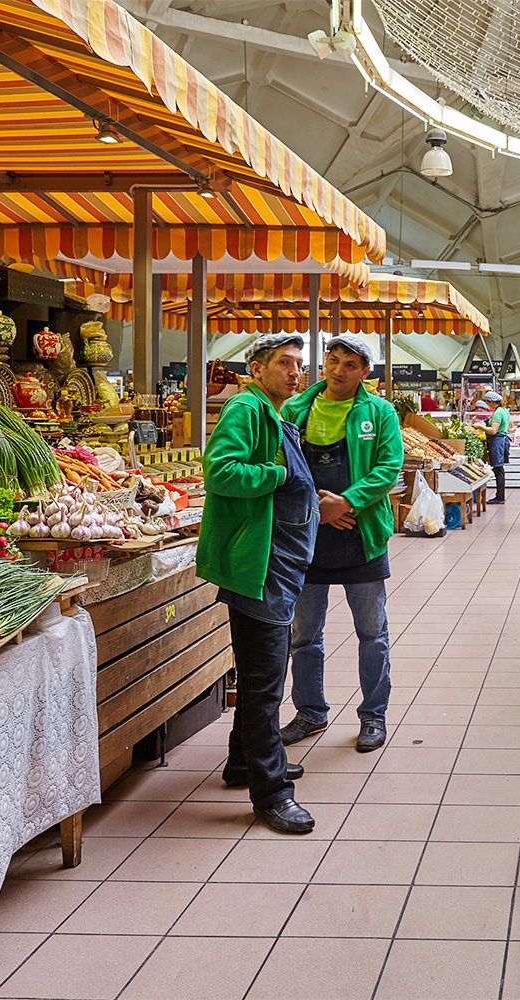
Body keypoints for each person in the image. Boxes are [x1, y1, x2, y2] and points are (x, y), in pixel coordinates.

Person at [197, 332, 320, 834]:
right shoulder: (245, 410)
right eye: (285, 364)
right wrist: (277, 477)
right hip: (260, 564)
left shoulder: (275, 413)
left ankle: (244, 762)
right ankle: (271, 794)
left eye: (299, 365)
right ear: (257, 370)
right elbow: (220, 471)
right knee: (266, 684)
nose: (296, 372)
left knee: (257, 676)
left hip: (278, 561)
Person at [279, 334, 404, 753]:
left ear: (365, 371)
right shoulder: (296, 407)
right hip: (306, 535)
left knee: (372, 633)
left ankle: (373, 715)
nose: (338, 370)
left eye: (350, 364)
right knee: (303, 635)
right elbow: (280, 462)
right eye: (333, 361)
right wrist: (318, 506)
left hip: (361, 536)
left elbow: (389, 467)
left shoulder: (379, 412)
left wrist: (347, 501)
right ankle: (310, 712)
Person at [470, 389, 510, 504]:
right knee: (499, 469)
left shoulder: (498, 413)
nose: (488, 405)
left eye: (488, 402)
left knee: (498, 469)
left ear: (492, 402)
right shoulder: (504, 410)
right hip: (500, 441)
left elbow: (493, 430)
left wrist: (479, 426)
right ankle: (500, 496)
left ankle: (500, 497)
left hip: (497, 441)